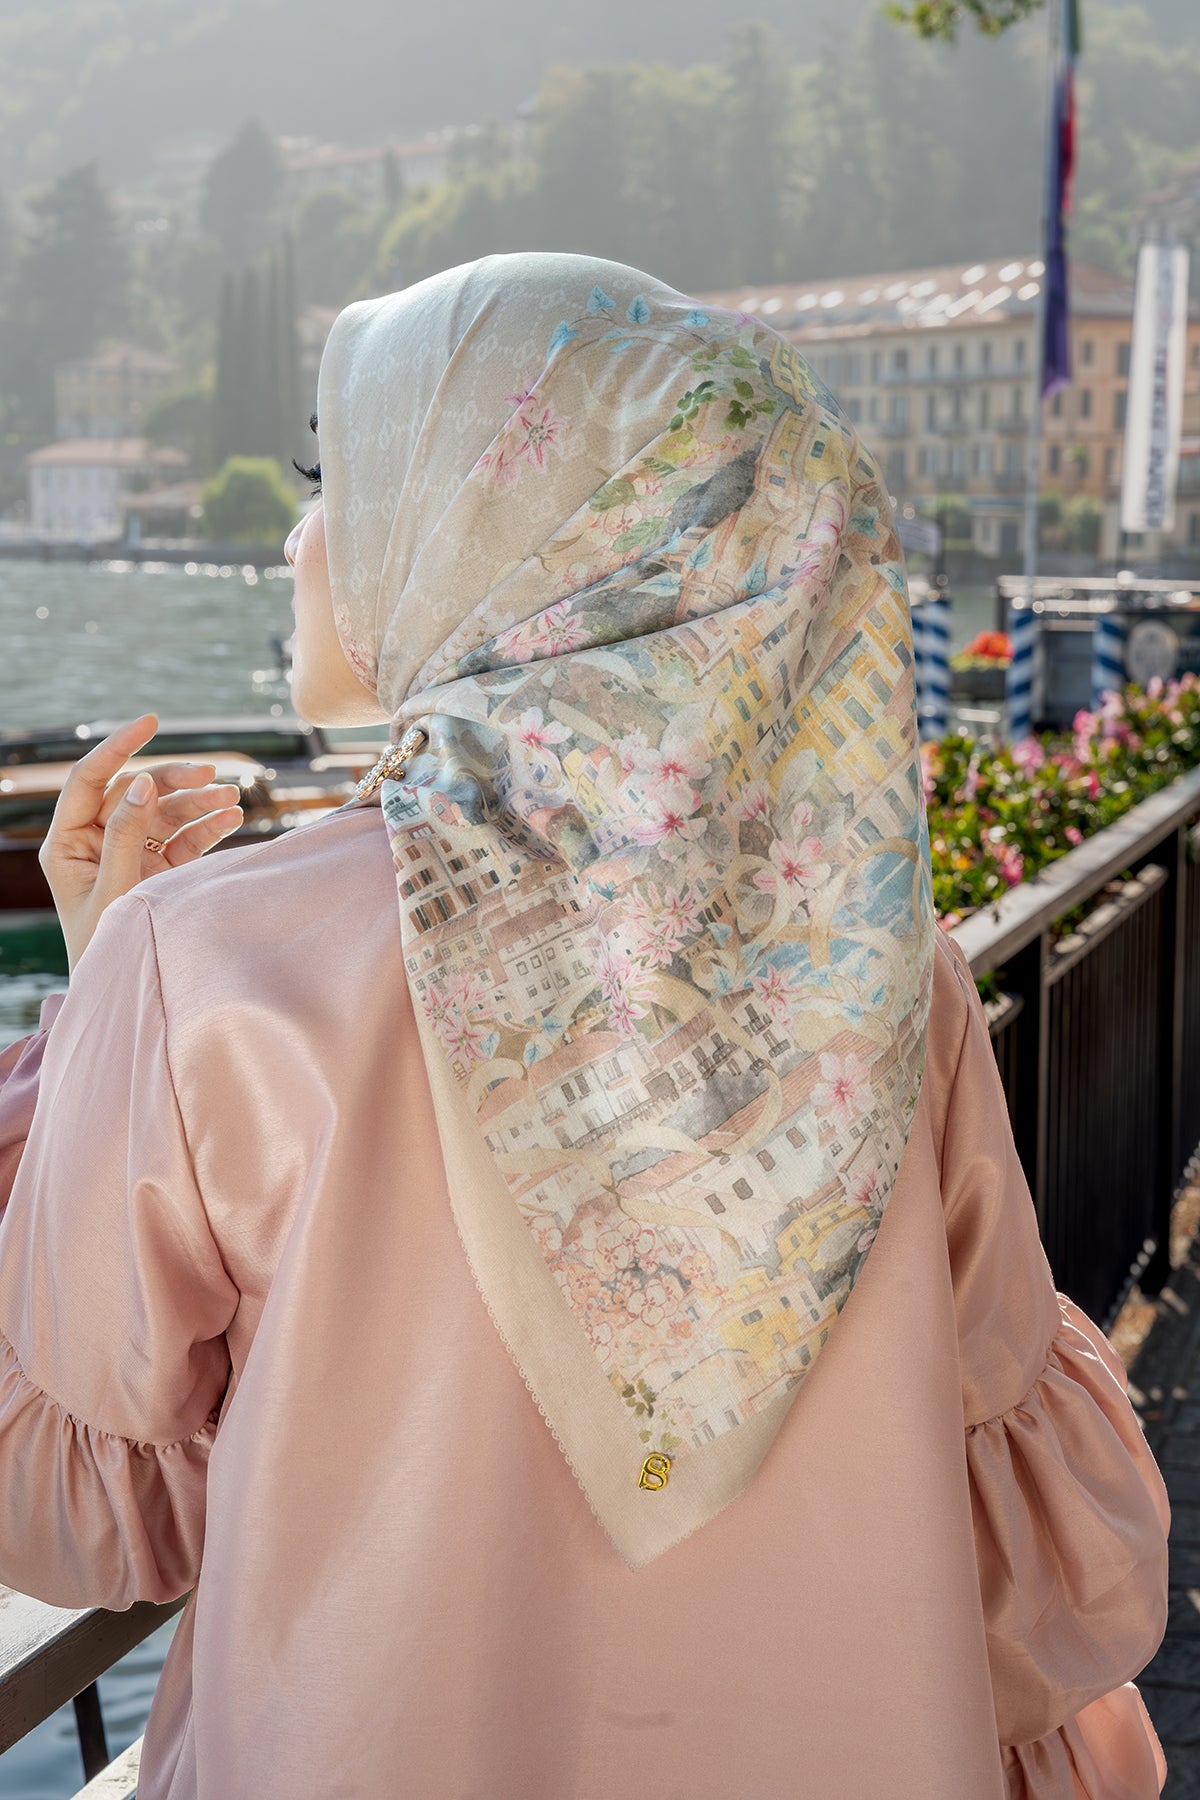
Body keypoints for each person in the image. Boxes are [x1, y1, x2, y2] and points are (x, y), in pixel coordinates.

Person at [0, 252, 1169, 1799]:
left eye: (336, 482)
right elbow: (1015, 1536)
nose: (295, 536)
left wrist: (100, 1003)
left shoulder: (202, 965)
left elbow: (90, 1522)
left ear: (505, 541)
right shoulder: (879, 962)